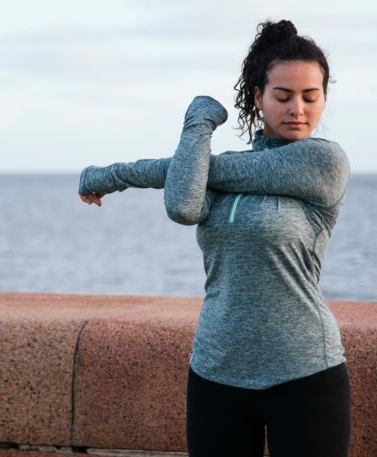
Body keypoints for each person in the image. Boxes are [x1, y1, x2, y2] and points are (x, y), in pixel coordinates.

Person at [77, 19, 351, 457]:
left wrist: (189, 136)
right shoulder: (213, 171)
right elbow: (183, 205)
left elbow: (207, 173)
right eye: (282, 96)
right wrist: (197, 125)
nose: (297, 108)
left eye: (310, 96)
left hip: (304, 372)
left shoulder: (324, 163)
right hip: (216, 371)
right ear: (258, 97)